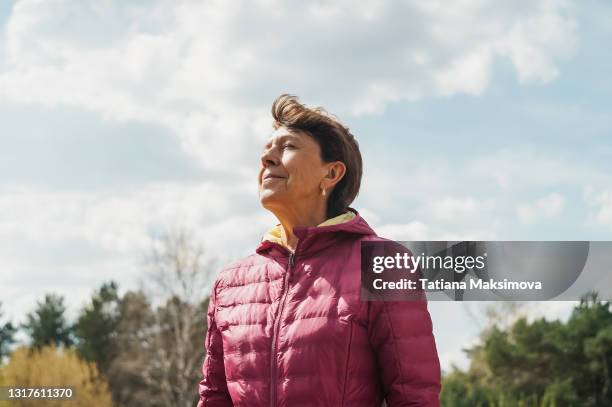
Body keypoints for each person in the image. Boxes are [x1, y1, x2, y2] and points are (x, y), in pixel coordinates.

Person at [197, 94, 441, 406]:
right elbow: (214, 396)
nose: (267, 159)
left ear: (332, 174)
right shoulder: (231, 283)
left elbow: (414, 396)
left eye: (287, 147)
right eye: (266, 151)